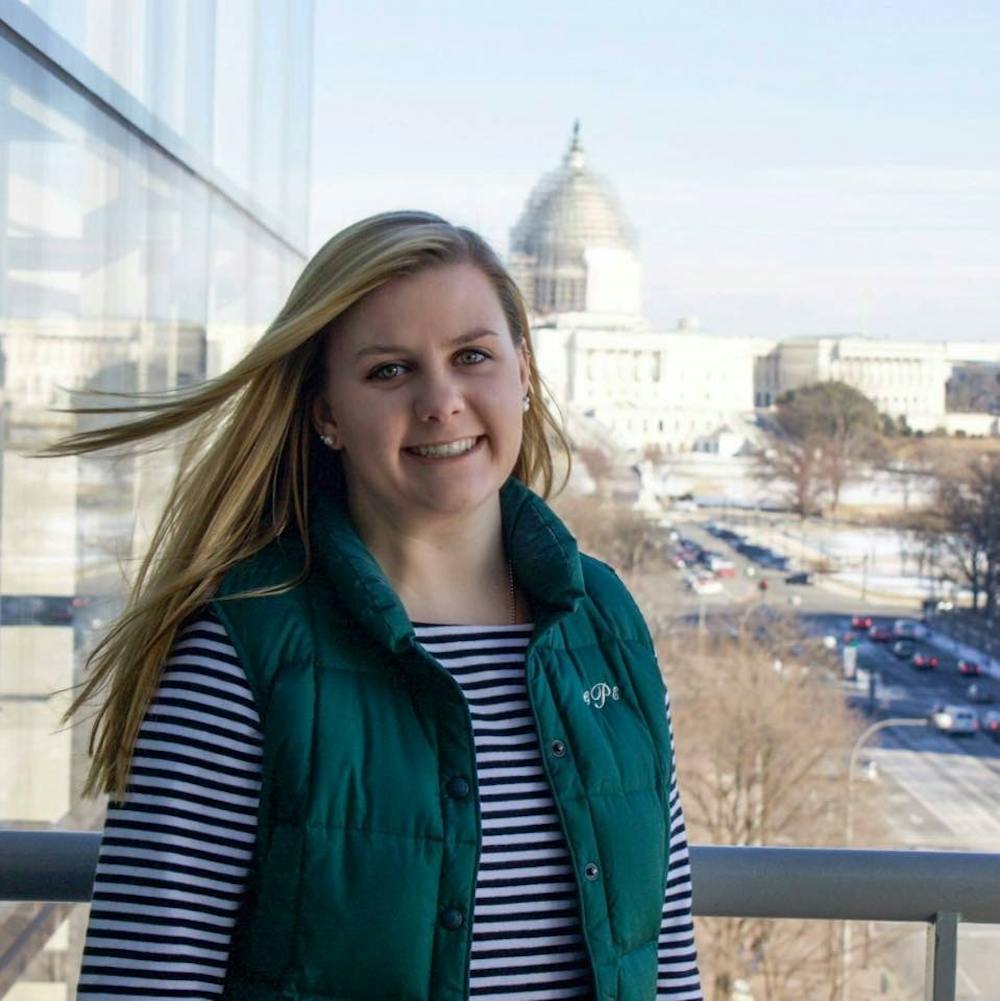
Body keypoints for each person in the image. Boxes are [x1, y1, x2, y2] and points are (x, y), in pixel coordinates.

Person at [58, 211, 702, 1000]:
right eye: (389, 371)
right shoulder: (240, 650)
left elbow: (665, 955)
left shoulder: (603, 620)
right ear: (326, 412)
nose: (441, 401)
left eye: (472, 356)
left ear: (524, 373)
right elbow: (142, 981)